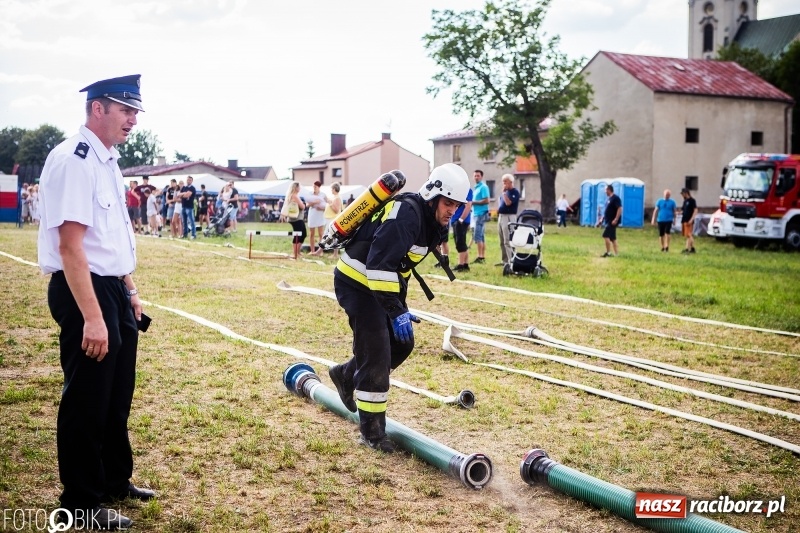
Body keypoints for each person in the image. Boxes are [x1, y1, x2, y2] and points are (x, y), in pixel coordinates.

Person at [36, 74, 154, 531]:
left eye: (136, 111)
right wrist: (93, 317)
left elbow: (110, 239)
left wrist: (130, 290)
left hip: (111, 288)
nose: (133, 120)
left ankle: (113, 480)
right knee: (87, 398)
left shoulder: (107, 160)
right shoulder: (74, 160)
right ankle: (80, 502)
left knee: (116, 392)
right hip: (83, 289)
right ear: (97, 108)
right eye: (125, 110)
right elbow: (71, 248)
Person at [327, 164, 470, 453]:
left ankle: (346, 375)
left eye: (456, 205)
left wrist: (398, 307)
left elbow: (399, 267)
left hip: (380, 285)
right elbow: (379, 266)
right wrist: (394, 310)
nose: (451, 211)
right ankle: (372, 434)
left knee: (401, 344)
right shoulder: (406, 215)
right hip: (357, 282)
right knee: (377, 353)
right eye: (448, 203)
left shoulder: (432, 222)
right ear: (433, 197)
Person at [497, 174, 520, 266]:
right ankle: (505, 261)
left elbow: (508, 203)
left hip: (509, 217)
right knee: (502, 240)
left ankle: (511, 261)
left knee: (508, 240)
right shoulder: (505, 193)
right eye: (503, 182)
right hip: (501, 216)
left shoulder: (515, 192)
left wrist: (504, 194)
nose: (504, 184)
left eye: (505, 182)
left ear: (511, 182)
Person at [282, 182, 306, 260]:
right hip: (296, 219)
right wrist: (304, 204)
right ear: (296, 188)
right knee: (298, 235)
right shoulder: (294, 196)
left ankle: (297, 252)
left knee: (303, 234)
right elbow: (302, 206)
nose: (300, 188)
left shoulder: (291, 195)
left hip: (296, 218)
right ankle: (295, 253)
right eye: (299, 187)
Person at [452, 187, 474, 271]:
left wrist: (461, 219)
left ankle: (460, 265)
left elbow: (468, 205)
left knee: (460, 243)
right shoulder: (458, 188)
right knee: (462, 242)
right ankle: (465, 264)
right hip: (456, 219)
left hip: (460, 220)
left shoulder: (466, 189)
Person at [470, 170, 490, 264]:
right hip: (476, 213)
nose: (476, 177)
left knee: (477, 236)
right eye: (475, 176)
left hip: (481, 214)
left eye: (478, 176)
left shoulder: (483, 187)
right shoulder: (476, 187)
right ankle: (482, 256)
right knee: (481, 236)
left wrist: (473, 202)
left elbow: (487, 200)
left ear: (481, 177)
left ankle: (480, 256)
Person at [599, 184, 622, 257]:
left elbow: (619, 208)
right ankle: (617, 254)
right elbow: (607, 210)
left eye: (605, 190)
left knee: (605, 235)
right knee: (613, 238)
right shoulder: (609, 199)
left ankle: (608, 253)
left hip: (612, 221)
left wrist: (616, 219)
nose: (605, 192)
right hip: (608, 220)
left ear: (609, 190)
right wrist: (602, 218)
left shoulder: (616, 198)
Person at [306, 180, 327, 255]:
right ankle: (312, 250)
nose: (314, 188)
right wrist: (314, 202)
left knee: (321, 234)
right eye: (313, 186)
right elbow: (307, 205)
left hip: (320, 214)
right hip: (312, 214)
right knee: (312, 233)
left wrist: (321, 208)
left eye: (315, 187)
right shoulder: (310, 194)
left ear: (319, 187)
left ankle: (320, 251)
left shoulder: (323, 195)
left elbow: (327, 206)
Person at [324, 183, 343, 259]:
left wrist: (330, 203)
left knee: (328, 236)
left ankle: (320, 251)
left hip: (333, 219)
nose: (331, 190)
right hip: (330, 219)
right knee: (334, 237)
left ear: (334, 189)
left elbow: (336, 210)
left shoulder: (337, 198)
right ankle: (335, 254)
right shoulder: (334, 197)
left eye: (331, 189)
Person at [680, 187, 698, 254]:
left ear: (686, 193)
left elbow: (695, 210)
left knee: (689, 234)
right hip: (684, 219)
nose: (682, 195)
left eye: (682, 193)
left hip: (689, 220)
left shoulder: (692, 200)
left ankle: (690, 248)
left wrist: (691, 219)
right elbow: (683, 210)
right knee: (687, 235)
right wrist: (678, 213)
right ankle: (690, 248)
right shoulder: (685, 201)